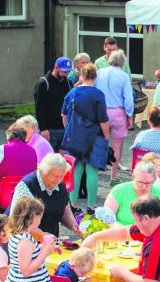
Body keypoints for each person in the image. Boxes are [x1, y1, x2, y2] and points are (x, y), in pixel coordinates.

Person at [61, 63, 110, 208]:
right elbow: (103, 120)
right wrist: (106, 137)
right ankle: (91, 205)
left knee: (76, 169)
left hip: (75, 136)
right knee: (92, 170)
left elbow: (64, 115)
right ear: (95, 77)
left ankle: (73, 203)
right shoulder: (98, 95)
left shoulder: (71, 93)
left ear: (82, 76)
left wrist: (69, 130)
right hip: (94, 137)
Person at [9, 153, 81, 238]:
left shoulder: (60, 185)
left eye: (61, 176)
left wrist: (73, 225)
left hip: (49, 241)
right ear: (43, 171)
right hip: (25, 242)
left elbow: (64, 207)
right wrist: (44, 236)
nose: (58, 180)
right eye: (55, 176)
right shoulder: (26, 186)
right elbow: (18, 221)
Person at [94, 49, 134, 186]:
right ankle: (113, 176)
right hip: (118, 112)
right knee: (117, 146)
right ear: (123, 62)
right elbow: (128, 98)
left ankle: (95, 174)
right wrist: (130, 115)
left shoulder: (99, 73)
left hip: (100, 111)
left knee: (98, 142)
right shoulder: (124, 76)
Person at [104, 162, 160, 226]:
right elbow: (106, 218)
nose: (144, 187)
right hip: (121, 233)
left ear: (154, 180)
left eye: (148, 183)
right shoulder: (119, 191)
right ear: (133, 177)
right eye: (140, 182)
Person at [34, 57, 73, 152]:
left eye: (68, 72)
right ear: (56, 68)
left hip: (65, 128)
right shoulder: (43, 83)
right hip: (50, 129)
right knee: (49, 160)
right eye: (64, 71)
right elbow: (39, 108)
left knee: (64, 161)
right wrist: (43, 128)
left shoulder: (69, 83)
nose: (66, 74)